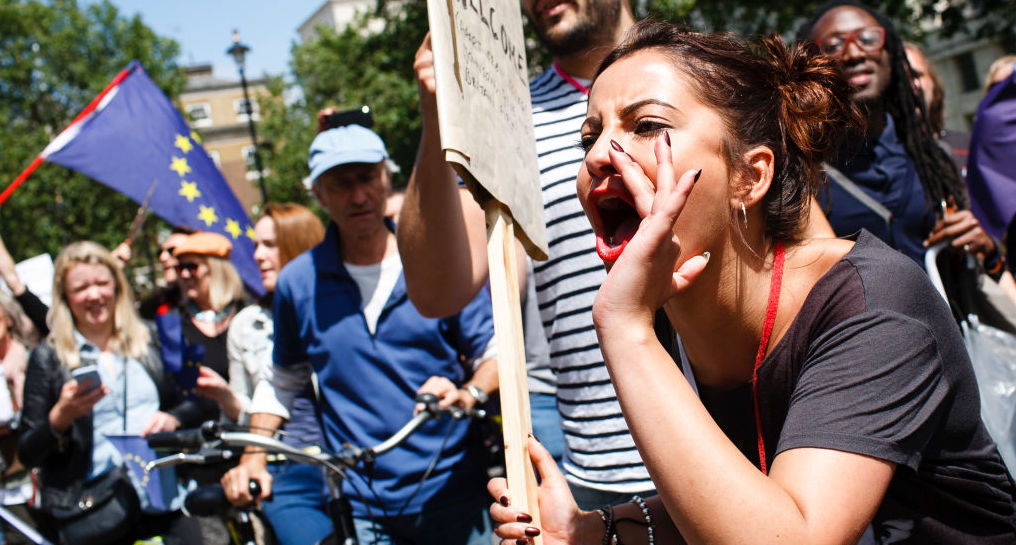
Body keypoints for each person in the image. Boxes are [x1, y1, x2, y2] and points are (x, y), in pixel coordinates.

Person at [488, 20, 1016, 545]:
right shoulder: (670, 323)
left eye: (645, 126)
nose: (600, 155)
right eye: (590, 136)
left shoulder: (873, 302)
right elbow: (739, 500)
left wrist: (623, 327)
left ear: (750, 176)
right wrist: (588, 532)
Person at [403, 0, 657, 507]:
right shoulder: (504, 117)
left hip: (733, 443)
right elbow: (439, 291)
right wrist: (439, 116)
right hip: (597, 472)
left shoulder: (709, 79)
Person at [222, 124, 498, 545]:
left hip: (454, 494)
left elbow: (494, 352)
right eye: (341, 183)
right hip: (363, 504)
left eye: (367, 178)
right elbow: (283, 379)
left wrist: (469, 394)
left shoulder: (435, 261)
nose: (358, 196)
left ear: (386, 178)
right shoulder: (299, 282)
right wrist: (253, 457)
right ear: (318, 194)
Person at [18, 241, 204, 544]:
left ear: (117, 286)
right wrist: (59, 419)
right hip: (95, 512)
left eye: (102, 283)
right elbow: (27, 452)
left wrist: (173, 419)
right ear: (64, 296)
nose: (94, 295)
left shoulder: (153, 337)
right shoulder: (48, 358)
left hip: (165, 499)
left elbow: (197, 401)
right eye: (81, 288)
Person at [800, 1, 1001, 274]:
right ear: (813, 66)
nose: (854, 53)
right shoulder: (801, 173)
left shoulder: (931, 157)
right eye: (834, 45)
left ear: (890, 54)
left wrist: (985, 249)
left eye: (868, 38)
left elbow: (979, 265)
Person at [196, 202, 328, 545]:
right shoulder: (246, 325)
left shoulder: (339, 310)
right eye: (256, 245)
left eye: (269, 245)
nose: (257, 255)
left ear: (299, 245)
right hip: (287, 470)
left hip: (352, 460)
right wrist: (227, 398)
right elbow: (248, 417)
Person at [169, 231, 248, 423]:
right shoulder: (172, 323)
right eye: (180, 268)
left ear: (217, 269)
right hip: (196, 438)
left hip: (250, 431)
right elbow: (173, 393)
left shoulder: (249, 317)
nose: (185, 275)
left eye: (192, 267)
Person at [903, 42, 969, 176]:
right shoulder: (876, 162)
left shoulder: (971, 147)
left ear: (933, 81)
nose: (911, 85)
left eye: (916, 75)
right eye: (901, 78)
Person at [139, 228, 192, 320]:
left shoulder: (219, 305)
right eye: (160, 252)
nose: (162, 257)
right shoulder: (157, 302)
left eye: (172, 250)